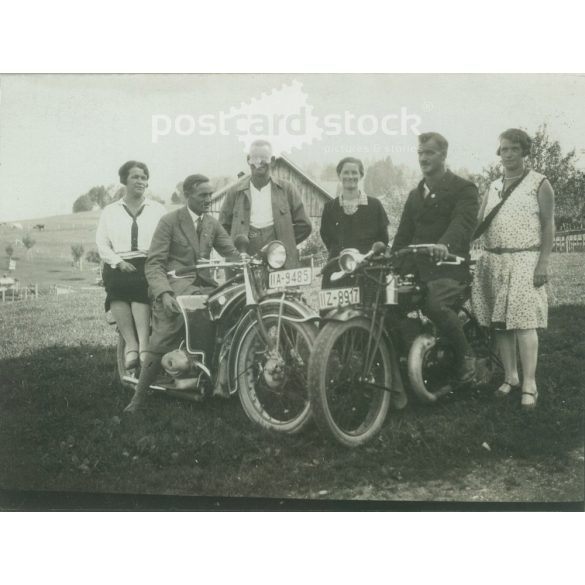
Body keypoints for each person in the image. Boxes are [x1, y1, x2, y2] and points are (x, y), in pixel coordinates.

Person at [124, 174, 238, 413]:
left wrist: (248, 260)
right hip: (174, 286)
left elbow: (231, 252)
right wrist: (164, 294)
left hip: (204, 286)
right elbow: (154, 264)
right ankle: (138, 398)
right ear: (188, 195)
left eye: (210, 194)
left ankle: (218, 380)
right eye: (203, 195)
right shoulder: (170, 221)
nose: (208, 199)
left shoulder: (211, 223)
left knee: (230, 314)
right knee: (165, 332)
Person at [471, 129, 554, 409]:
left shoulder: (539, 183)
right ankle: (511, 377)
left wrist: (542, 262)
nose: (507, 155)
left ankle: (530, 384)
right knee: (501, 325)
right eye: (504, 149)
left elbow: (548, 225)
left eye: (513, 149)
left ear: (524, 151)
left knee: (524, 323)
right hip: (494, 261)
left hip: (524, 259)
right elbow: (479, 222)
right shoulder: (493, 186)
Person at [391, 132, 479, 385]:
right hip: (417, 270)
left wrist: (444, 245)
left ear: (443, 155)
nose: (423, 158)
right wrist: (392, 260)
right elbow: (403, 236)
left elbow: (462, 223)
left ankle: (467, 359)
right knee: (389, 303)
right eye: (420, 153)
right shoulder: (414, 194)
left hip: (450, 269)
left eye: (429, 152)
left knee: (433, 304)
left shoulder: (463, 188)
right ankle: (410, 358)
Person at [96, 161, 166, 370]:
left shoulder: (157, 209)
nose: (140, 181)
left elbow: (164, 239)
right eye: (135, 177)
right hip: (118, 261)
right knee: (116, 290)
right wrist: (118, 262)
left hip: (148, 260)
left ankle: (144, 345)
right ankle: (131, 346)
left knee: (139, 288)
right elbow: (102, 243)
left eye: (144, 177)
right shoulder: (110, 211)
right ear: (124, 180)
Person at [219, 139, 312, 266]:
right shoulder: (234, 192)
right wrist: (236, 251)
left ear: (272, 161)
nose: (259, 162)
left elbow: (304, 225)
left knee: (281, 286)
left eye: (264, 157)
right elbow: (222, 227)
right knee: (242, 285)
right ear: (248, 160)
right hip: (244, 257)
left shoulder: (287, 189)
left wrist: (284, 244)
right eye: (254, 158)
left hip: (279, 256)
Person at [319, 156, 389, 288]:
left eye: (354, 172)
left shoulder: (375, 205)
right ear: (339, 175)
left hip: (367, 271)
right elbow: (327, 237)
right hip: (336, 269)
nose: (350, 176)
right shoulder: (330, 208)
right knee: (335, 309)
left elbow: (383, 239)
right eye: (345, 172)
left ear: (361, 175)